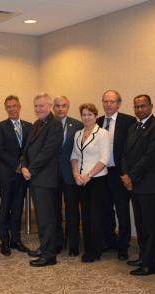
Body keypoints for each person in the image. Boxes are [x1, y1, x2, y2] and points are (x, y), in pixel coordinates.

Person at [121, 94, 155, 276]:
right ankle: (143, 257)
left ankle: (151, 264)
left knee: (150, 225)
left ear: (151, 106)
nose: (139, 109)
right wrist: (126, 175)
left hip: (148, 184)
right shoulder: (133, 127)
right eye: (136, 106)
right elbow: (124, 153)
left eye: (142, 106)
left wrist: (131, 176)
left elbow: (150, 157)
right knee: (140, 224)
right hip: (133, 184)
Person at [21, 93, 63, 267]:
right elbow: (27, 148)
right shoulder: (37, 124)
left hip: (46, 179)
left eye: (41, 106)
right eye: (36, 106)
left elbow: (48, 152)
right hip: (34, 178)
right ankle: (45, 247)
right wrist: (23, 165)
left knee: (47, 218)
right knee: (42, 217)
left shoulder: (55, 125)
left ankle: (49, 255)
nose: (38, 109)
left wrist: (31, 169)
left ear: (49, 106)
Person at [96, 90, 136, 260]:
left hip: (119, 174)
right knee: (105, 210)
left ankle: (123, 246)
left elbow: (131, 149)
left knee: (122, 211)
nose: (108, 104)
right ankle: (110, 241)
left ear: (118, 104)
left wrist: (128, 173)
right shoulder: (97, 122)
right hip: (101, 174)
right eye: (105, 101)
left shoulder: (128, 121)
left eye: (112, 101)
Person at [71, 103, 110, 263]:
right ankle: (88, 248)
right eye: (84, 114)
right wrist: (75, 174)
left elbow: (104, 159)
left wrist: (88, 176)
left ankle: (95, 250)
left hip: (96, 180)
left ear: (95, 116)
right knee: (85, 215)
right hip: (80, 181)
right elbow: (74, 156)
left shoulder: (102, 133)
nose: (86, 118)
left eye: (89, 115)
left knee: (96, 216)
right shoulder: (78, 134)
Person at [0, 95, 32, 256]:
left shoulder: (29, 126)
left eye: (14, 106)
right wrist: (16, 165)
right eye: (8, 106)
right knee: (6, 208)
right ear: (6, 108)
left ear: (19, 107)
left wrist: (23, 166)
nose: (11, 109)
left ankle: (16, 240)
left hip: (22, 175)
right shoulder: (0, 126)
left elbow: (29, 150)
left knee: (18, 207)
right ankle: (5, 241)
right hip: (6, 174)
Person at [53, 96, 83, 257]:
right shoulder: (47, 124)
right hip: (51, 175)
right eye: (57, 106)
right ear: (53, 107)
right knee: (55, 211)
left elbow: (80, 150)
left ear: (68, 107)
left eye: (63, 106)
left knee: (72, 211)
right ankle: (58, 242)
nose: (60, 109)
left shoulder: (77, 125)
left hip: (70, 175)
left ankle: (73, 244)